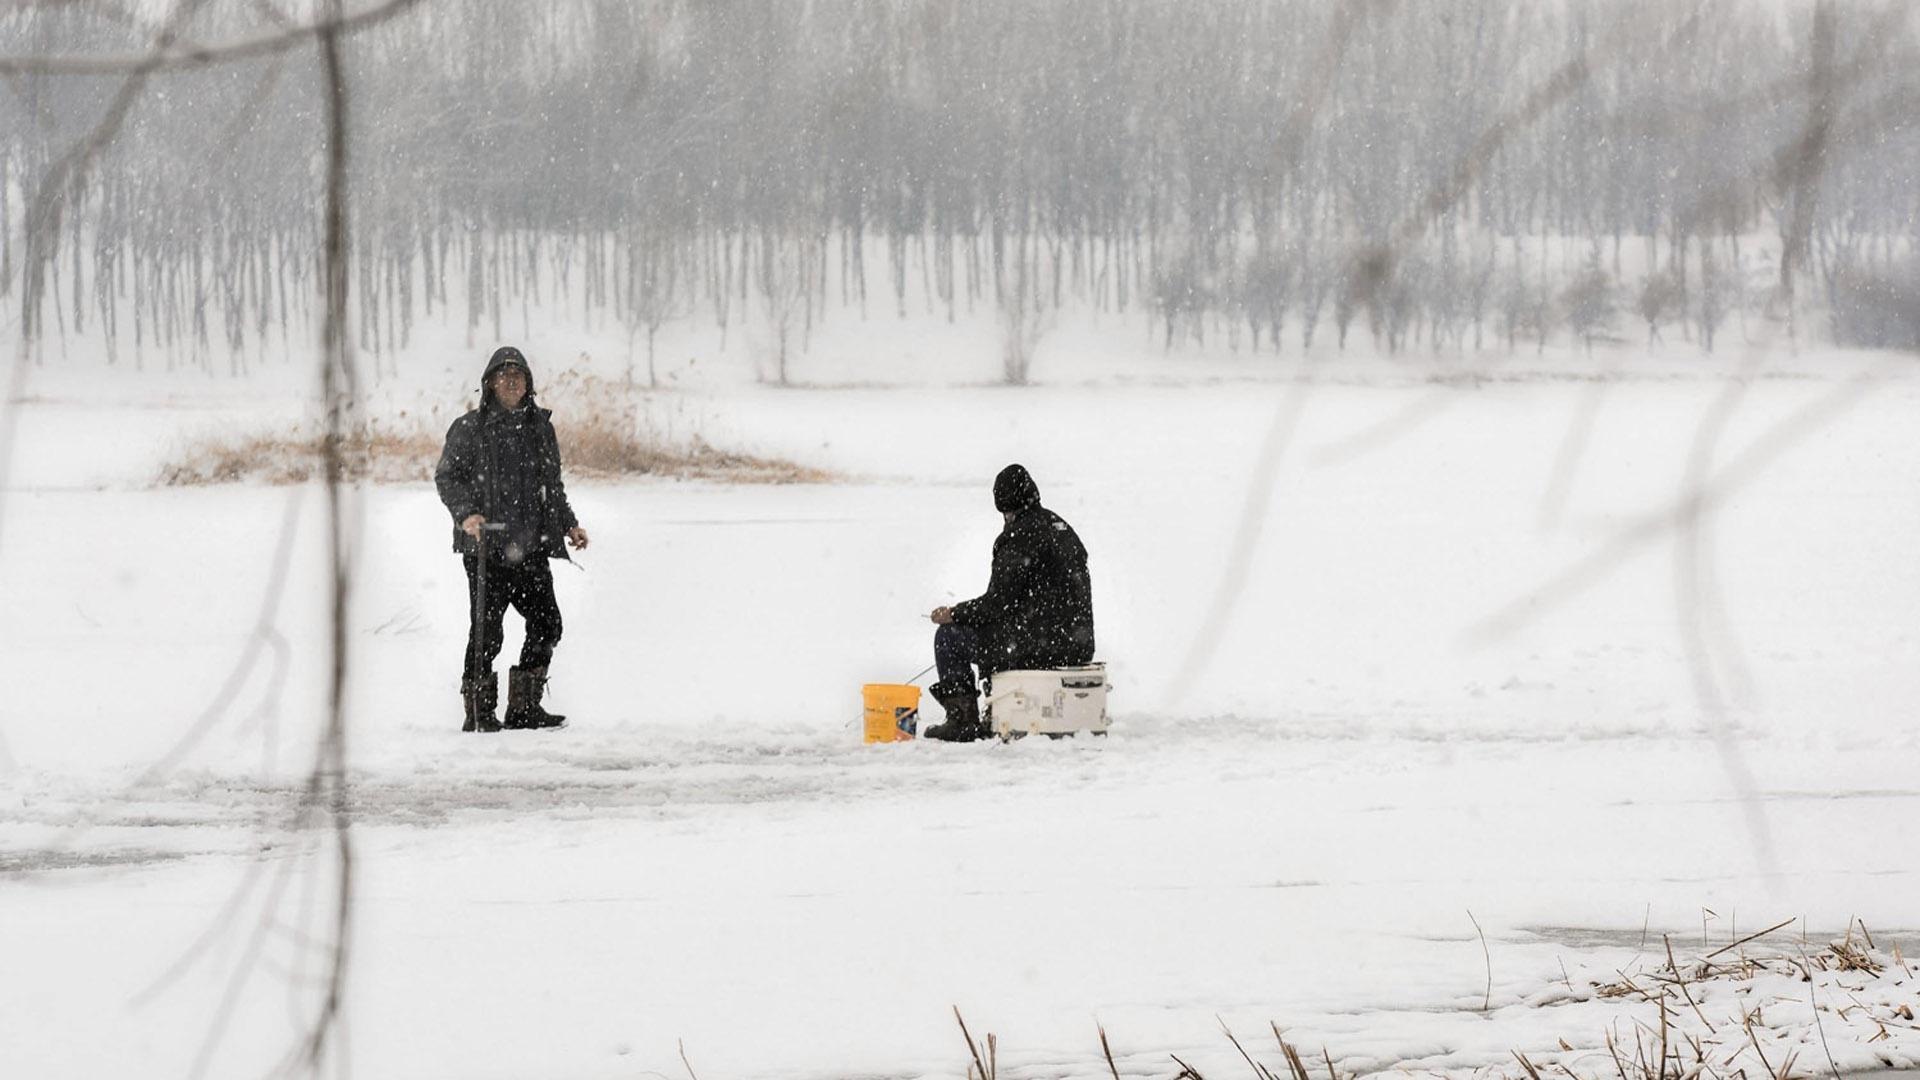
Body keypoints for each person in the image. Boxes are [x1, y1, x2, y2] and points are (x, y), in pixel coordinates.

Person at [435, 346, 589, 732]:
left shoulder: (540, 428)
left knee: (547, 624)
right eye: (503, 376)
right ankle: (479, 714)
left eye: (518, 376)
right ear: (489, 383)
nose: (511, 381)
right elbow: (448, 478)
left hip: (531, 544)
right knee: (487, 633)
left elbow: (551, 485)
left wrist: (569, 524)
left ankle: (524, 710)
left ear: (528, 384)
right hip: (486, 547)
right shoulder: (468, 428)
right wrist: (467, 514)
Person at [924, 464, 1094, 742]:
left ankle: (962, 721)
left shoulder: (1018, 536)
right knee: (1003, 632)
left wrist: (955, 613)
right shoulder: (1062, 529)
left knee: (949, 638)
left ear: (1005, 506)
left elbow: (997, 604)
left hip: (1038, 646)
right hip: (1077, 645)